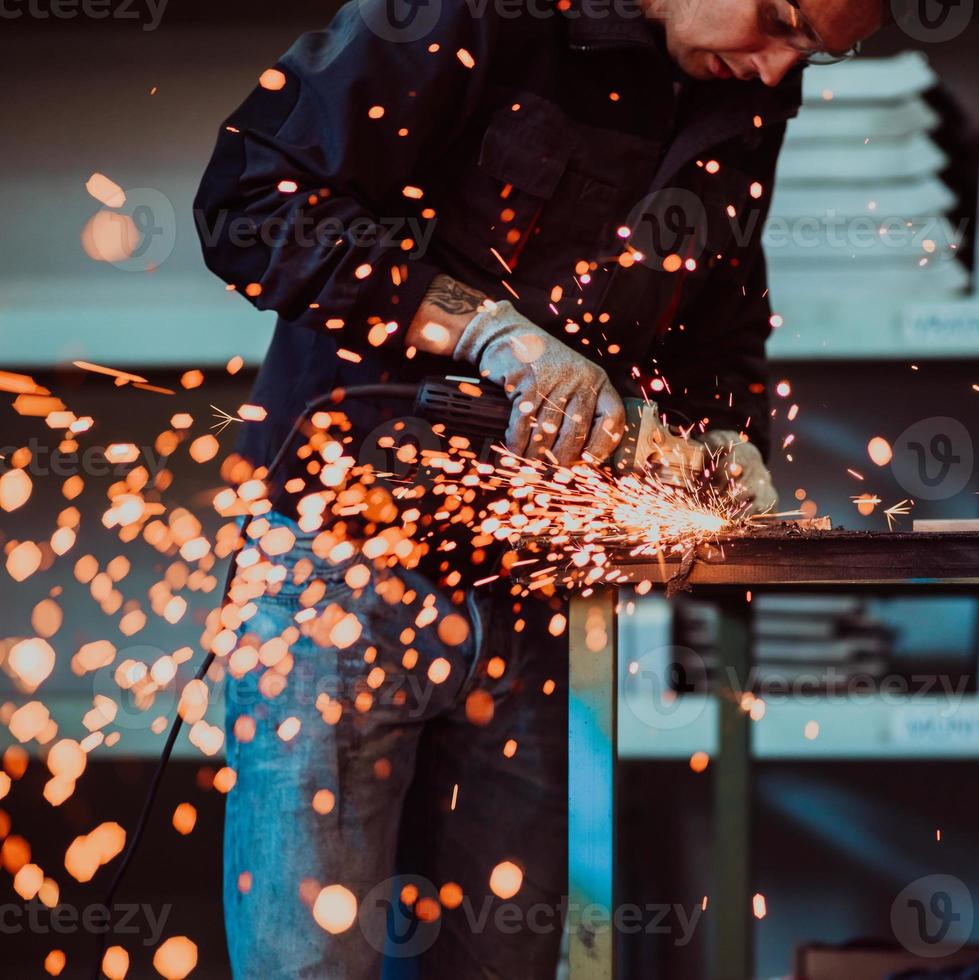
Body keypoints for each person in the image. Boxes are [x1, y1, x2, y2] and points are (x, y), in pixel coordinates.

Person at [193, 0, 882, 975]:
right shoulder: (471, 11)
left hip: (529, 590)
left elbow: (716, 311)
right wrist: (483, 328)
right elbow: (250, 198)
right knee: (309, 962)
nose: (779, 68)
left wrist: (722, 433)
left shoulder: (741, 92)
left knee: (502, 960)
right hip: (341, 565)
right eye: (778, 20)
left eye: (810, 50)